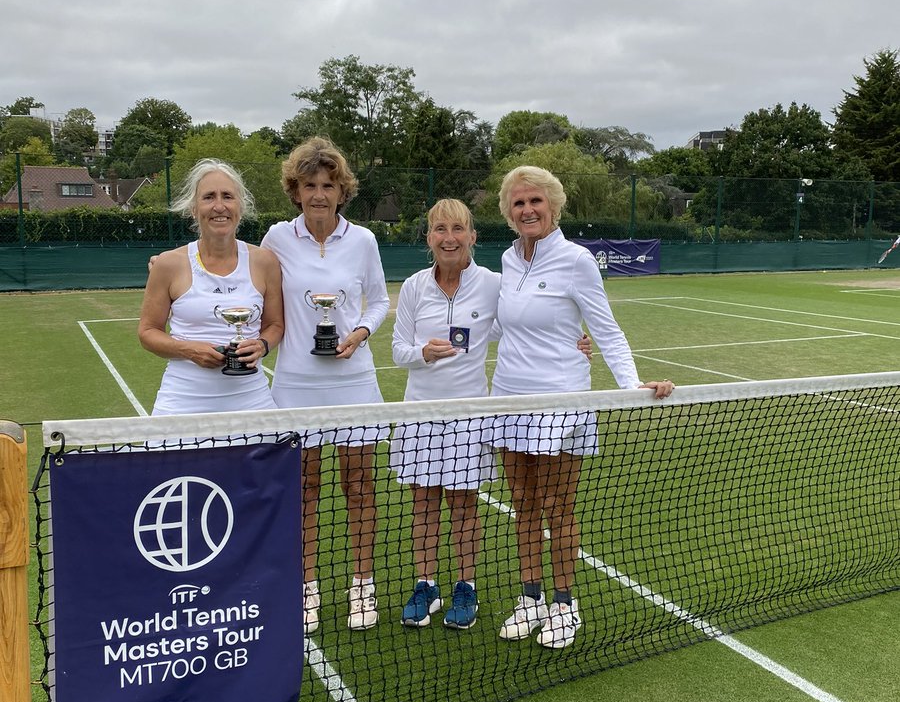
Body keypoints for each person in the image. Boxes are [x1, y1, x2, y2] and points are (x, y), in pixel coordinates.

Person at [488, 164, 674, 650]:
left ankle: (565, 604)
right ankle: (531, 598)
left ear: (553, 206)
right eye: (519, 202)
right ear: (509, 211)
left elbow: (606, 328)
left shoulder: (576, 261)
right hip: (507, 396)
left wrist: (631, 383)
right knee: (523, 505)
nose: (527, 209)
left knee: (558, 508)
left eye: (536, 201)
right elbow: (500, 326)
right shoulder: (506, 261)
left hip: (562, 399)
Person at [391, 199, 592, 632]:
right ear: (429, 237)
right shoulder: (412, 287)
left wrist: (573, 341)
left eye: (458, 229)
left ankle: (466, 587)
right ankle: (425, 585)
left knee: (464, 507)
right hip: (419, 412)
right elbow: (397, 351)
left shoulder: (493, 284)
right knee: (423, 505)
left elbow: (526, 323)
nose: (449, 238)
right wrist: (423, 354)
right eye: (440, 229)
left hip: (471, 415)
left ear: (472, 236)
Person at [261, 137, 390, 634]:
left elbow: (378, 301)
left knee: (359, 486)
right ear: (296, 191)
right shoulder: (275, 238)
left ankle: (363, 586)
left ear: (342, 191)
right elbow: (246, 278)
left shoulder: (363, 241)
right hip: (295, 383)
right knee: (303, 490)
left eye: (329, 185)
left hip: (354, 381)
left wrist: (359, 333)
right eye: (310, 185)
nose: (319, 194)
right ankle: (306, 587)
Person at [138, 159, 283, 415]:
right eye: (208, 197)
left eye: (228, 196)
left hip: (252, 401)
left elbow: (275, 325)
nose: (219, 206)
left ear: (240, 206)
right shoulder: (168, 264)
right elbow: (148, 332)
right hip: (182, 403)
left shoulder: (265, 261)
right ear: (194, 208)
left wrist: (261, 345)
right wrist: (190, 350)